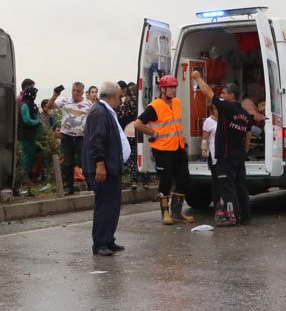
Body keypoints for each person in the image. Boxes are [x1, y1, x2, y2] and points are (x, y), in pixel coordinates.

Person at [192, 71, 253, 227]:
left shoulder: (226, 107)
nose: (222, 94)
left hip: (225, 156)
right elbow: (248, 135)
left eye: (224, 93)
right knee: (241, 186)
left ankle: (232, 218)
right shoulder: (245, 114)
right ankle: (245, 215)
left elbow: (208, 92)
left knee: (227, 187)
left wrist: (198, 77)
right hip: (238, 156)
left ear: (231, 95)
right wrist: (244, 151)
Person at [134, 75, 194, 225]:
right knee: (165, 182)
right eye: (170, 88)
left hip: (178, 148)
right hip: (163, 150)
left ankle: (177, 212)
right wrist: (153, 134)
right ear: (162, 89)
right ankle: (165, 213)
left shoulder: (177, 103)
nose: (173, 90)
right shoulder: (154, 106)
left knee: (184, 179)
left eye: (175, 87)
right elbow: (138, 124)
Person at [82, 82, 131, 256]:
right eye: (119, 97)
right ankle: (100, 243)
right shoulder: (99, 112)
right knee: (104, 206)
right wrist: (100, 164)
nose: (120, 100)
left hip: (112, 167)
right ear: (114, 96)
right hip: (102, 169)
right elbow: (96, 141)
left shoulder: (107, 112)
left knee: (112, 206)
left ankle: (109, 239)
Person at [48, 82, 92, 194]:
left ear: (82, 92)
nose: (75, 93)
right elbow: (49, 106)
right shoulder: (64, 100)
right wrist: (54, 96)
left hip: (81, 137)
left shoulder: (88, 104)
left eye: (78, 91)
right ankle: (68, 187)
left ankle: (91, 184)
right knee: (68, 162)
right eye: (73, 90)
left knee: (84, 161)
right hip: (67, 136)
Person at [201, 104, 222, 220]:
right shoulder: (209, 122)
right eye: (215, 109)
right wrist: (204, 149)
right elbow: (205, 139)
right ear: (211, 110)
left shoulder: (226, 119)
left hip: (225, 155)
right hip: (214, 155)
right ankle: (217, 205)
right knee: (216, 180)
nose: (217, 111)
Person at [17, 87, 42, 181]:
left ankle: (29, 176)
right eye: (34, 94)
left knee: (31, 157)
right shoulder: (24, 105)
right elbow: (27, 120)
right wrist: (38, 122)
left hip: (32, 136)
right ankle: (24, 178)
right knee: (27, 158)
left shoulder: (32, 104)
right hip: (26, 136)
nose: (35, 96)